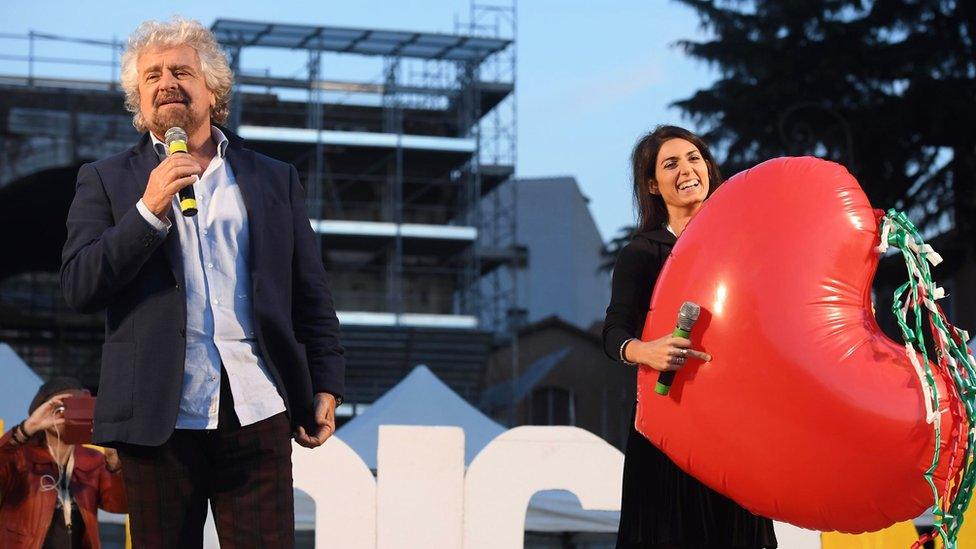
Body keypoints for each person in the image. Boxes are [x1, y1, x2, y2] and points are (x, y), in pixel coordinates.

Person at [60, 16, 345, 548]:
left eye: (180, 71)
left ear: (213, 89)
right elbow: (78, 285)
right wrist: (148, 211)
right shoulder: (105, 180)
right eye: (151, 76)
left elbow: (309, 289)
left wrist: (326, 380)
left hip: (258, 405)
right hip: (157, 417)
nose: (165, 82)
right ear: (138, 102)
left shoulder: (272, 176)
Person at [603, 125, 777, 548]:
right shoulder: (643, 252)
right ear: (652, 184)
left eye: (694, 158)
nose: (687, 169)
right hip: (667, 423)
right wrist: (646, 351)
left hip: (734, 422)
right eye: (670, 163)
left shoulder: (742, 244)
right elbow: (613, 332)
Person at [0, 377, 127, 548]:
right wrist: (25, 429)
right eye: (60, 407)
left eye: (77, 405)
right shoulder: (20, 456)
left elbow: (120, 506)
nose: (67, 413)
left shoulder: (92, 460)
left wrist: (115, 466)